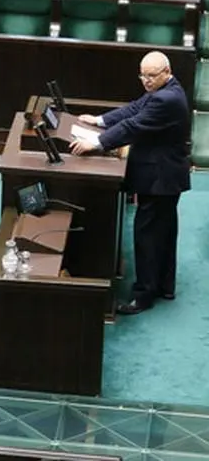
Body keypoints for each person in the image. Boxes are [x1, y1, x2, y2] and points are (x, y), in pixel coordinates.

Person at [69, 51, 190, 315]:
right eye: (142, 75)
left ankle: (143, 295)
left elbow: (134, 125)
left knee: (148, 235)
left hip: (160, 178)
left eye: (151, 76)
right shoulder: (165, 89)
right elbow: (135, 108)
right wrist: (100, 120)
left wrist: (97, 142)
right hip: (167, 174)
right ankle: (163, 286)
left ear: (166, 72)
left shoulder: (166, 99)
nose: (145, 81)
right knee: (164, 232)